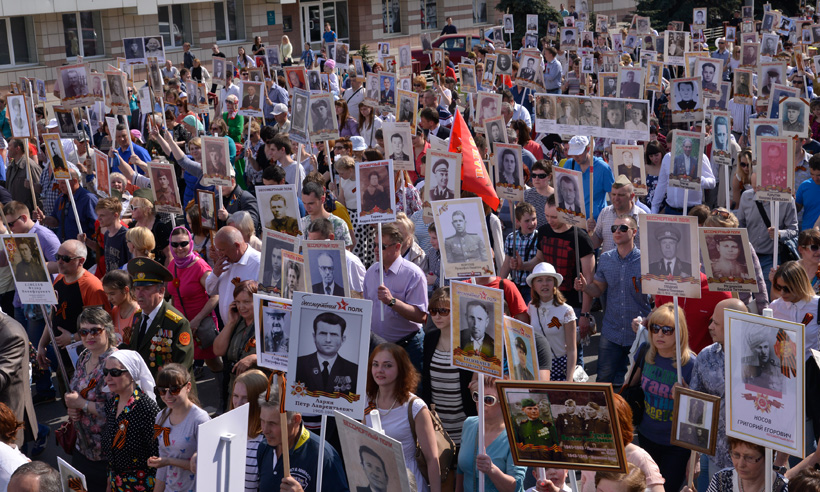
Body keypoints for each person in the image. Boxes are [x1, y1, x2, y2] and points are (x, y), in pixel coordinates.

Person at [625, 303, 696, 492]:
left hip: (676, 446)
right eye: (654, 328)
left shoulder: (690, 364)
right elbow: (630, 385)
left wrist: (686, 395)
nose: (659, 334)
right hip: (646, 436)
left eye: (667, 330)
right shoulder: (645, 351)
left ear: (680, 332)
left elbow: (698, 414)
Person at [364, 344, 441, 492]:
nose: (380, 370)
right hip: (377, 484)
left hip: (408, 483)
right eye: (375, 364)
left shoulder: (415, 407)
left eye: (387, 365)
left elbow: (432, 459)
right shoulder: (367, 401)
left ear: (401, 369)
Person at [256, 375, 349, 492]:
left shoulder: (323, 456)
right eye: (262, 421)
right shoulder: (264, 447)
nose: (265, 430)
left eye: (272, 423)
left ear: (296, 420)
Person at [62, 307, 118, 491]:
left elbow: (120, 409)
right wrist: (72, 406)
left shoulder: (116, 363)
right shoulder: (84, 356)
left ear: (108, 330)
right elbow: (77, 390)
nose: (89, 336)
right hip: (82, 446)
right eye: (84, 332)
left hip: (107, 453)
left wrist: (82, 404)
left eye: (95, 330)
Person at [101, 350, 160, 492]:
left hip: (142, 485)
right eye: (106, 372)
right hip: (117, 483)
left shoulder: (147, 408)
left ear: (132, 374)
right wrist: (110, 480)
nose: (108, 378)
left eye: (115, 372)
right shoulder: (111, 404)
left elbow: (158, 456)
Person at [166, 226, 222, 373]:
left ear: (190, 243)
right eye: (175, 244)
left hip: (200, 325)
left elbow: (215, 296)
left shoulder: (200, 266)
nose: (179, 248)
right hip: (181, 325)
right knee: (182, 363)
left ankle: (224, 384)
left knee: (212, 362)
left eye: (183, 243)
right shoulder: (173, 264)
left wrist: (197, 320)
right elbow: (174, 295)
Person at [457, 375, 526, 492]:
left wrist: (492, 469)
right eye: (477, 396)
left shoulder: (517, 435)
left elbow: (515, 487)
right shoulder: (469, 424)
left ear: (504, 403)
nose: (480, 403)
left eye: (488, 400)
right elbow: (461, 471)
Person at [147, 364, 210, 492]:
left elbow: (204, 465)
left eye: (174, 389)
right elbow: (162, 463)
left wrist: (169, 461)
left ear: (188, 387)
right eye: (162, 390)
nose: (167, 396)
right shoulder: (161, 417)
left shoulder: (200, 419)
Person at [212, 280, 259, 395]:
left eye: (246, 302)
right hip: (234, 387)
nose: (241, 307)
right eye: (237, 302)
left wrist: (255, 358)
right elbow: (218, 350)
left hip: (256, 388)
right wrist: (231, 323)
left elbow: (281, 358)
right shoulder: (237, 322)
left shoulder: (266, 324)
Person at [294, 311, 358, 395]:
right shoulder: (297, 364)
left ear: (343, 339)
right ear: (314, 337)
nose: (328, 340)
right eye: (323, 334)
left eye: (334, 334)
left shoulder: (355, 371)